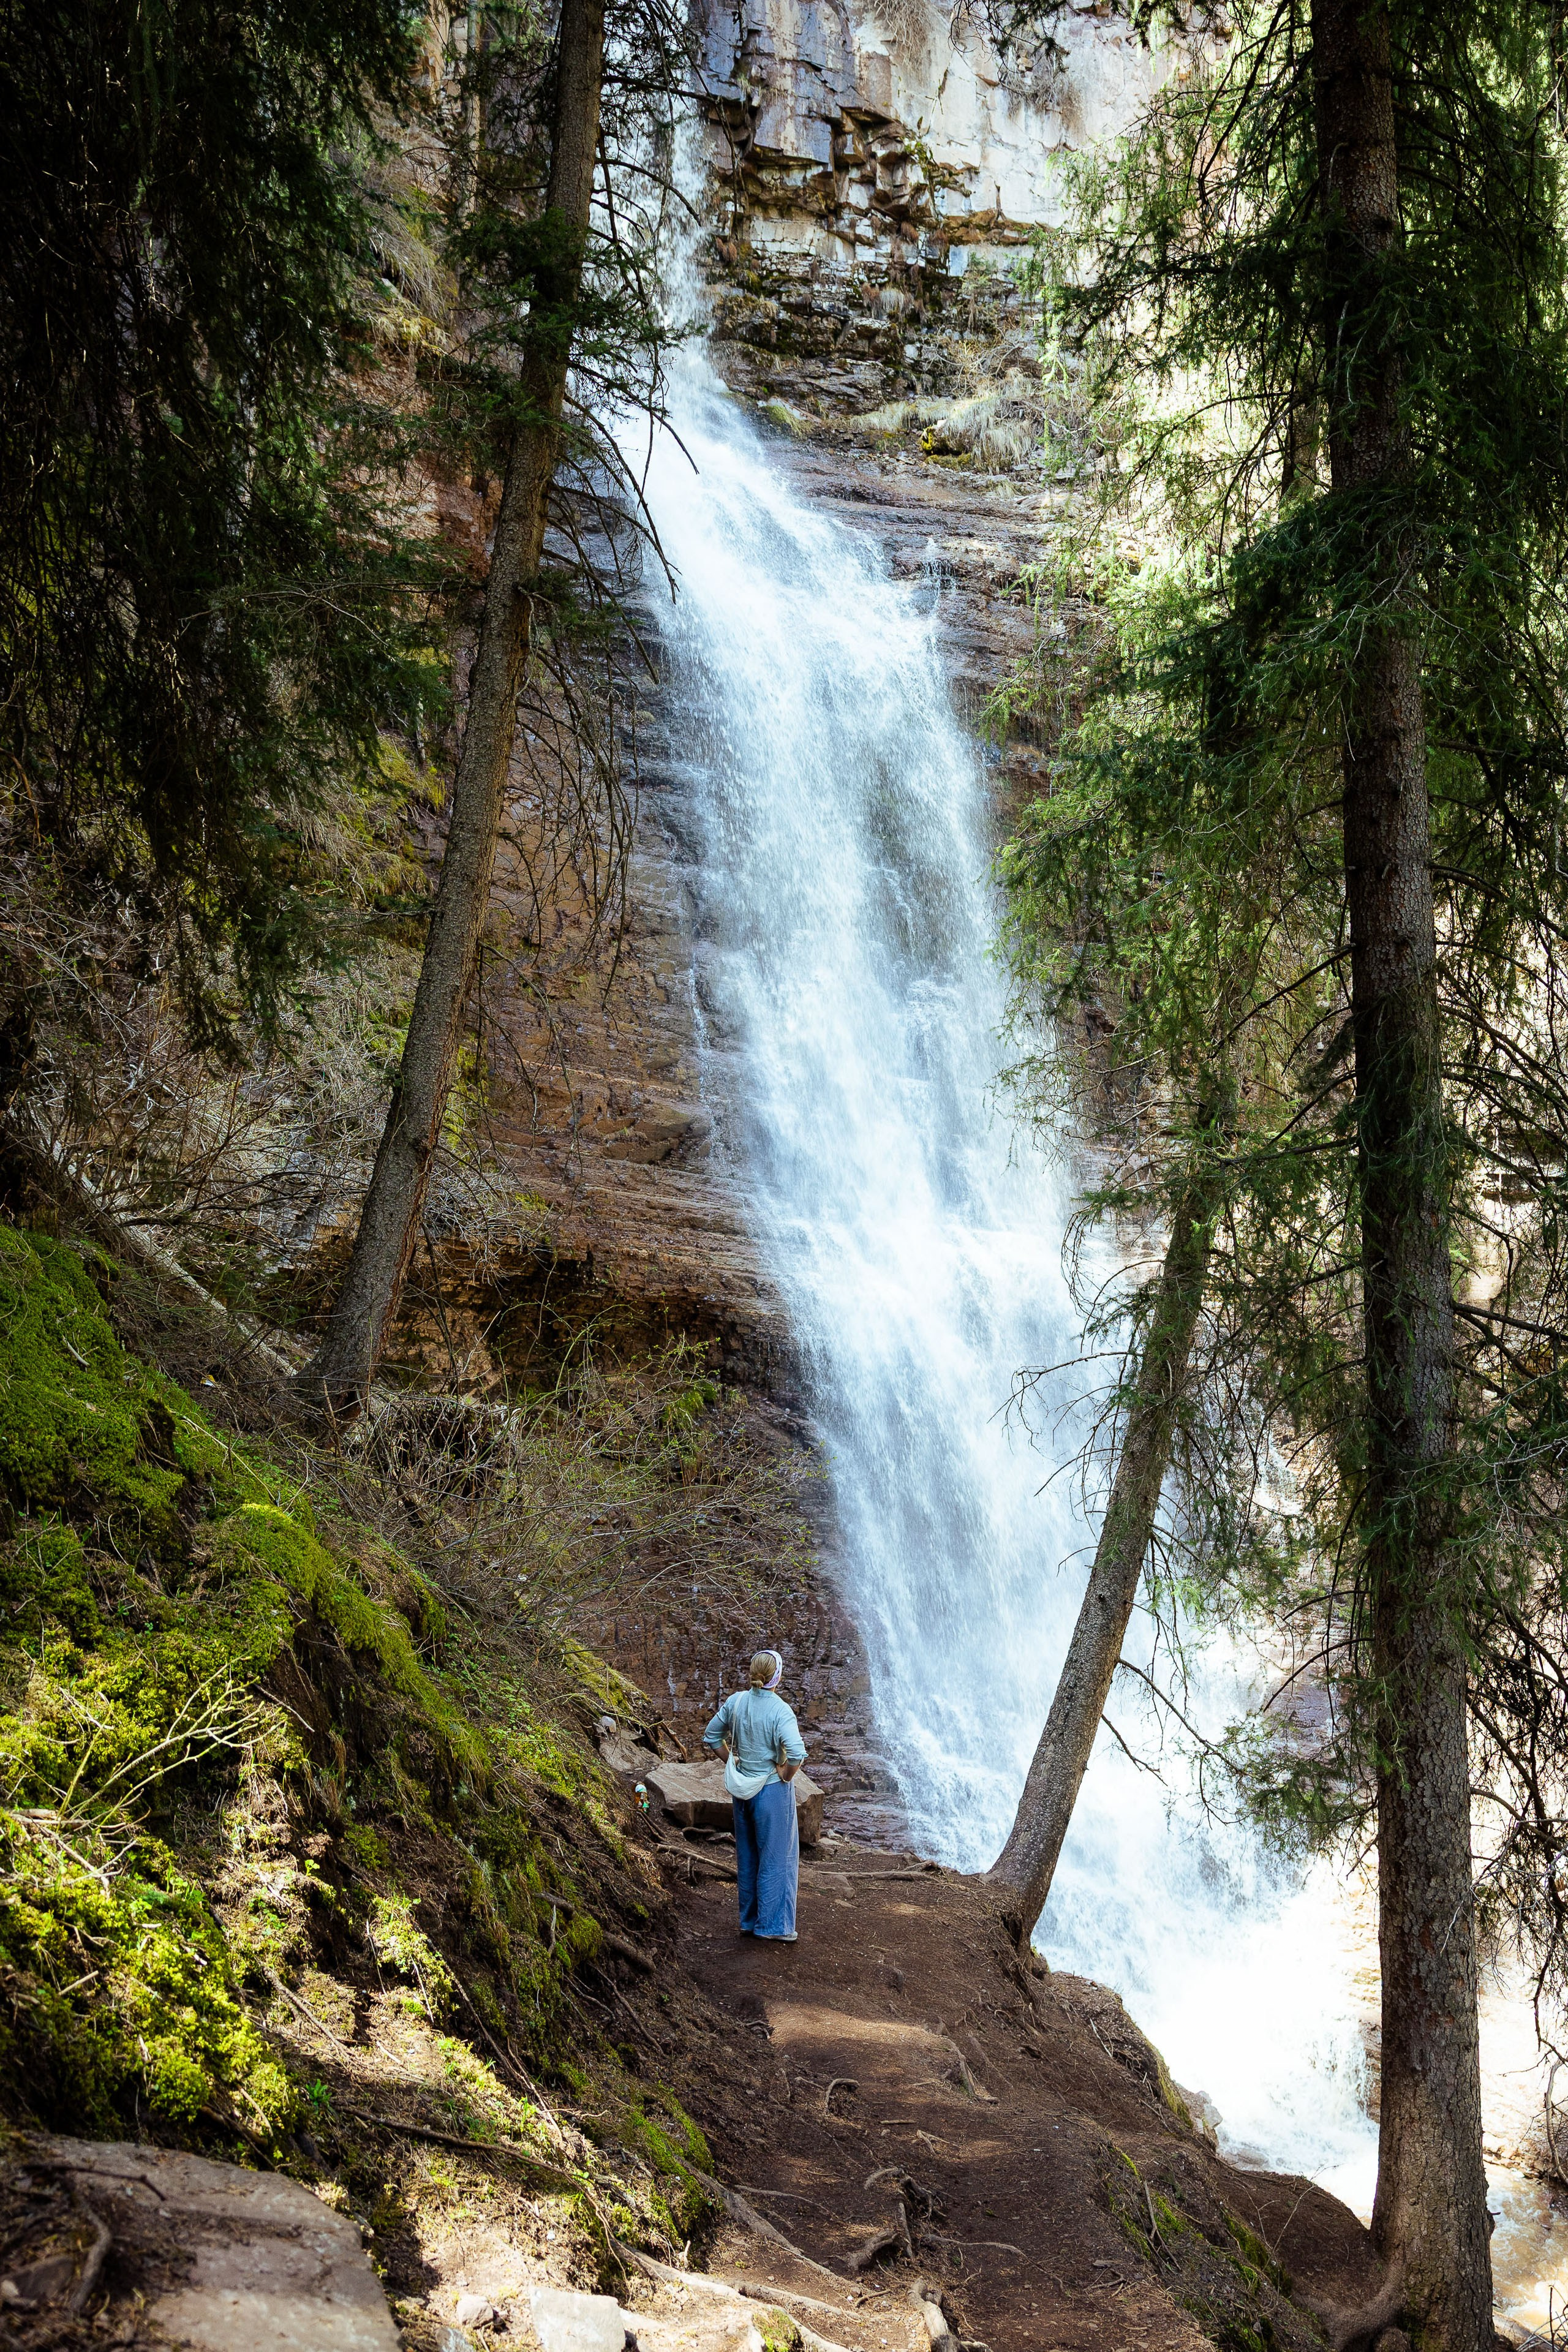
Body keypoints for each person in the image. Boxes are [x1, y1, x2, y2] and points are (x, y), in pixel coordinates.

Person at [703, 1649, 807, 1943]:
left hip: (743, 1791)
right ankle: (774, 1927)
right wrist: (786, 1775)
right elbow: (797, 1754)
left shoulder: (736, 1701)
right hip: (771, 1791)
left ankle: (749, 1922)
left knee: (748, 1856)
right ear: (778, 1677)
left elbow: (711, 1736)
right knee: (778, 1858)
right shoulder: (780, 1710)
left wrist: (731, 1760)